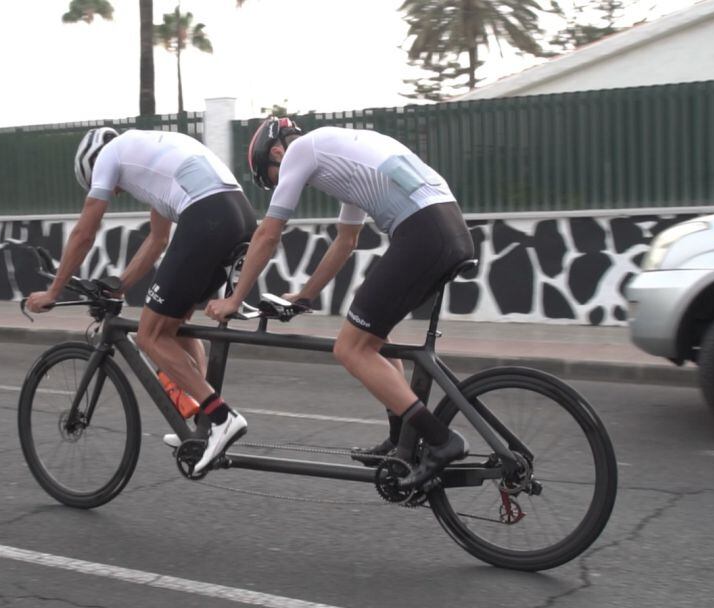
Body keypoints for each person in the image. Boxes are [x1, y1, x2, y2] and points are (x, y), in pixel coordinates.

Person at [205, 117, 475, 488]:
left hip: (424, 232)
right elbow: (346, 240)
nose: (279, 184)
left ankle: (443, 441)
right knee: (372, 337)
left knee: (350, 348)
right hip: (447, 227)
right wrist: (305, 295)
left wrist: (234, 299)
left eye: (273, 177)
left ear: (278, 152)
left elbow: (268, 233)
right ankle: (400, 441)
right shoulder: (342, 152)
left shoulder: (302, 150)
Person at [26, 127, 256, 474]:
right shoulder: (148, 154)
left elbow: (85, 231)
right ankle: (205, 425)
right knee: (173, 325)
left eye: (103, 186)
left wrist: (54, 291)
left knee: (149, 335)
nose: (114, 191)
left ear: (91, 166)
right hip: (239, 214)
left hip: (207, 215)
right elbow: (158, 239)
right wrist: (121, 285)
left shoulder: (108, 155)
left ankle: (222, 417)